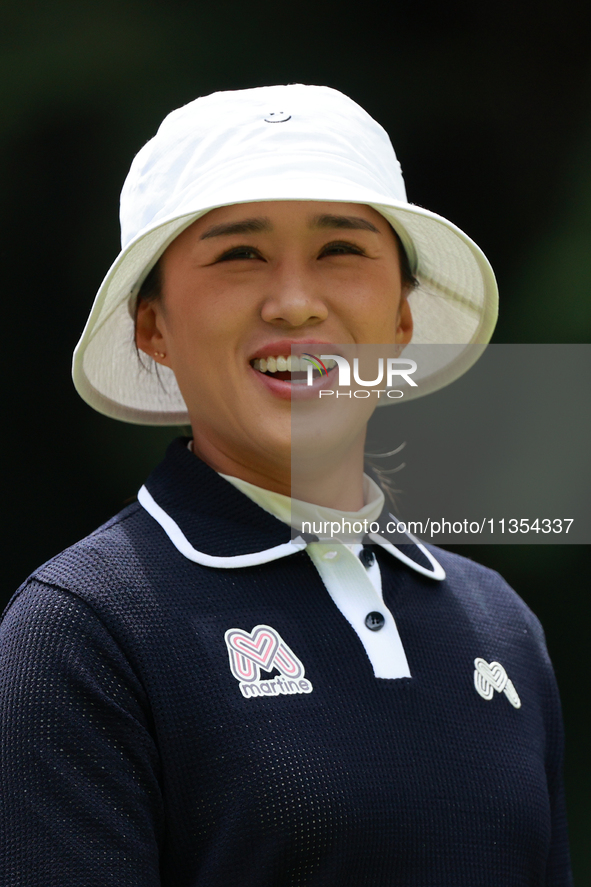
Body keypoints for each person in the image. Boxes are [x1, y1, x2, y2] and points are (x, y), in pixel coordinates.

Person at [0, 85, 572, 886]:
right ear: (153, 327)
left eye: (341, 250)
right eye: (239, 254)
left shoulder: (499, 624)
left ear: (401, 318)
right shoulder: (83, 628)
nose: (296, 302)